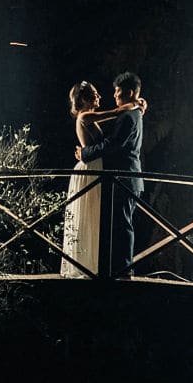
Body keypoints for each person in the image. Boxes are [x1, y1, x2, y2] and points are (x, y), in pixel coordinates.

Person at [60, 80, 145, 278]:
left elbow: (114, 137)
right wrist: (135, 105)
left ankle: (104, 266)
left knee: (98, 219)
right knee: (93, 217)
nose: (101, 97)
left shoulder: (94, 117)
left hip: (97, 168)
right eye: (95, 94)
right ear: (85, 98)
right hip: (91, 168)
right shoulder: (85, 116)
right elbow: (116, 114)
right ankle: (98, 266)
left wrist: (136, 106)